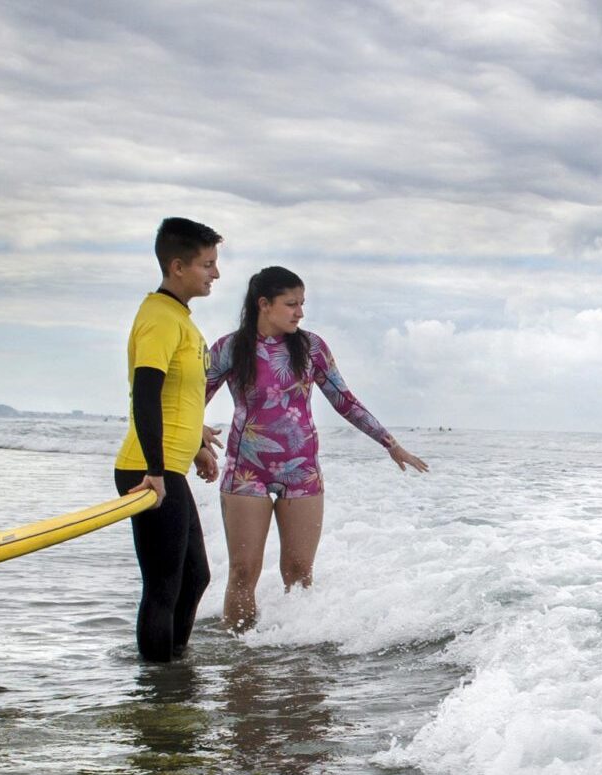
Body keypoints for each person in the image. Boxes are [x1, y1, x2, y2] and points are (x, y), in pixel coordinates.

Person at [204, 266, 427, 631]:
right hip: (246, 472)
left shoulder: (311, 347)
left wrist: (391, 444)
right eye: (291, 304)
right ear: (264, 304)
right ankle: (238, 665)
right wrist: (195, 435)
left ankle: (297, 663)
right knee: (243, 573)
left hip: (301, 473)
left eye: (302, 303)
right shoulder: (230, 347)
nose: (300, 312)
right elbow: (193, 397)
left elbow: (345, 401)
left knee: (299, 574)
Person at [113, 216, 224, 662]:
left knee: (195, 577)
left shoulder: (180, 320)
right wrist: (156, 472)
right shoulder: (159, 319)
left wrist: (196, 441)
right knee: (163, 585)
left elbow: (180, 394)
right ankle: (158, 689)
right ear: (178, 267)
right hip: (148, 470)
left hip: (167, 466)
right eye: (207, 264)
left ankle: (171, 665)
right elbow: (145, 393)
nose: (215, 273)